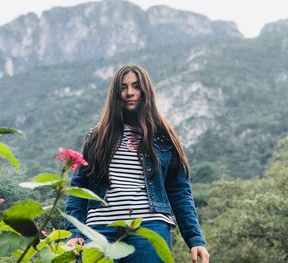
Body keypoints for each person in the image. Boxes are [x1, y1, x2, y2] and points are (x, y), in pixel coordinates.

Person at [64, 64, 209, 262]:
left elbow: (180, 191)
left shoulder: (164, 138)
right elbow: (79, 187)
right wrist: (74, 232)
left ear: (145, 91)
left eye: (136, 86)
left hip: (149, 228)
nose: (130, 92)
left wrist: (195, 239)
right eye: (123, 87)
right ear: (115, 94)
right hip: (99, 230)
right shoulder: (97, 137)